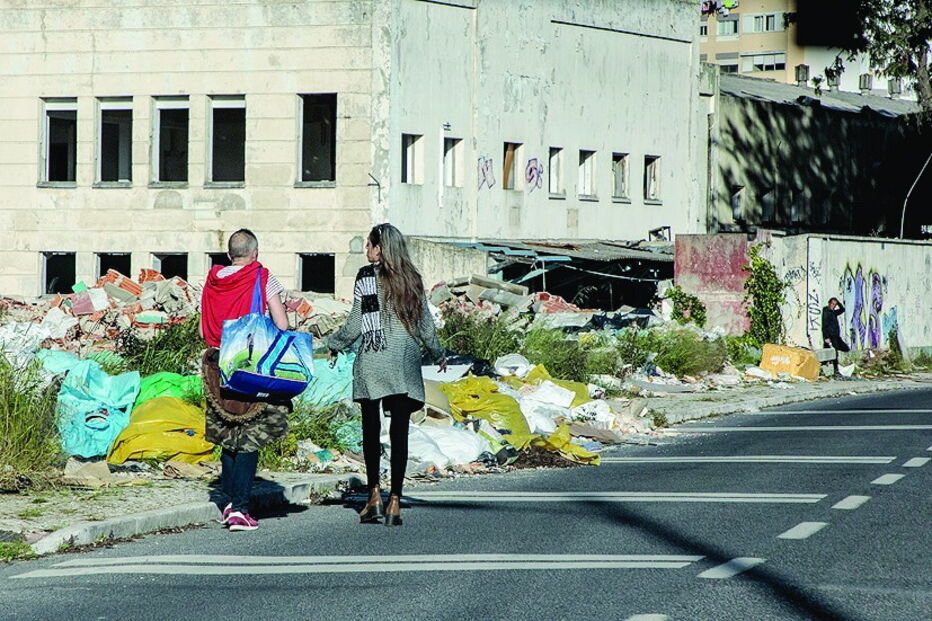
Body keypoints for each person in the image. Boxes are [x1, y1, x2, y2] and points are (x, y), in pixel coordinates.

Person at [326, 223, 446, 527]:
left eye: (370, 245)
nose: (366, 250)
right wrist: (438, 353)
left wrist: (334, 344)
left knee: (371, 430)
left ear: (380, 249)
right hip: (404, 362)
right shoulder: (413, 279)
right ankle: (395, 501)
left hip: (373, 358)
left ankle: (374, 496)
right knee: (399, 433)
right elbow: (425, 325)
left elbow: (356, 323)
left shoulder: (367, 277)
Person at [199, 228, 290, 532]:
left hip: (215, 364)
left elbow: (202, 330)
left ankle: (228, 503)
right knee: (249, 434)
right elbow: (281, 323)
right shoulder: (262, 277)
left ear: (229, 254)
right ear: (255, 253)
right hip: (248, 364)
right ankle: (240, 508)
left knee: (227, 433)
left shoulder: (211, 281)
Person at [821, 297, 850, 375]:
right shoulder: (826, 312)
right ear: (829, 303)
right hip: (830, 336)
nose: (833, 305)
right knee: (834, 353)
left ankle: (829, 368)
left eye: (835, 304)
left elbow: (842, 309)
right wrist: (826, 337)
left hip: (836, 336)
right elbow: (824, 325)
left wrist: (838, 303)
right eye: (832, 304)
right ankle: (835, 370)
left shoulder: (833, 312)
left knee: (845, 348)